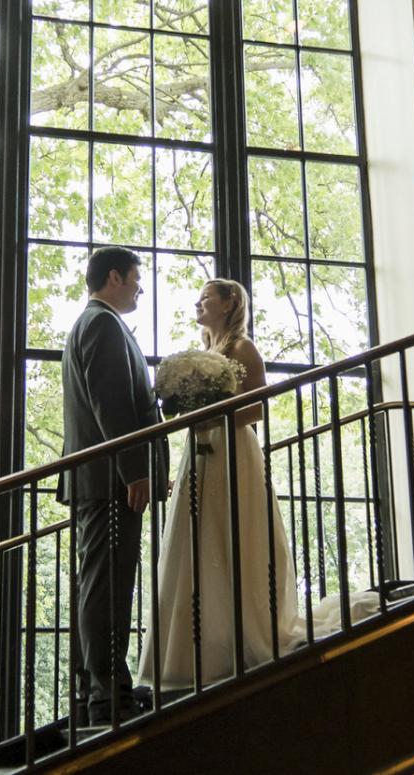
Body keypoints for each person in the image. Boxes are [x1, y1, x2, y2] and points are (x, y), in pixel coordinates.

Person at [137, 279, 377, 689]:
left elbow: (257, 408)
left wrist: (215, 417)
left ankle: (248, 635)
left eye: (207, 297)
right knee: (197, 542)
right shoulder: (203, 354)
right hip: (199, 453)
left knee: (236, 536)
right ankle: (198, 650)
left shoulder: (242, 348)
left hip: (233, 454)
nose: (199, 302)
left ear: (230, 303)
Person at [58, 246, 168, 725]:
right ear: (115, 277)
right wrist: (134, 470)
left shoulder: (95, 323)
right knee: (107, 585)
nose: (141, 289)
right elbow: (111, 405)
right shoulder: (101, 324)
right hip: (109, 482)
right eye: (136, 280)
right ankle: (105, 692)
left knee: (101, 582)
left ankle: (98, 685)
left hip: (101, 480)